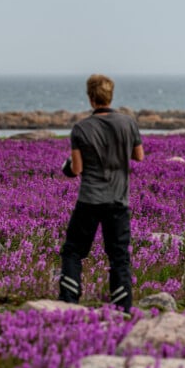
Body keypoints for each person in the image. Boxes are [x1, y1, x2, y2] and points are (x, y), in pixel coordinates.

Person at [58, 74, 144, 313]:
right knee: (119, 256)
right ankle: (123, 308)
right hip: (118, 201)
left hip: (89, 200)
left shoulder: (81, 128)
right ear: (110, 95)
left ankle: (69, 301)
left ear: (90, 97)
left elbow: (76, 169)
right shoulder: (128, 123)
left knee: (73, 251)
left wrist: (67, 166)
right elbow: (139, 155)